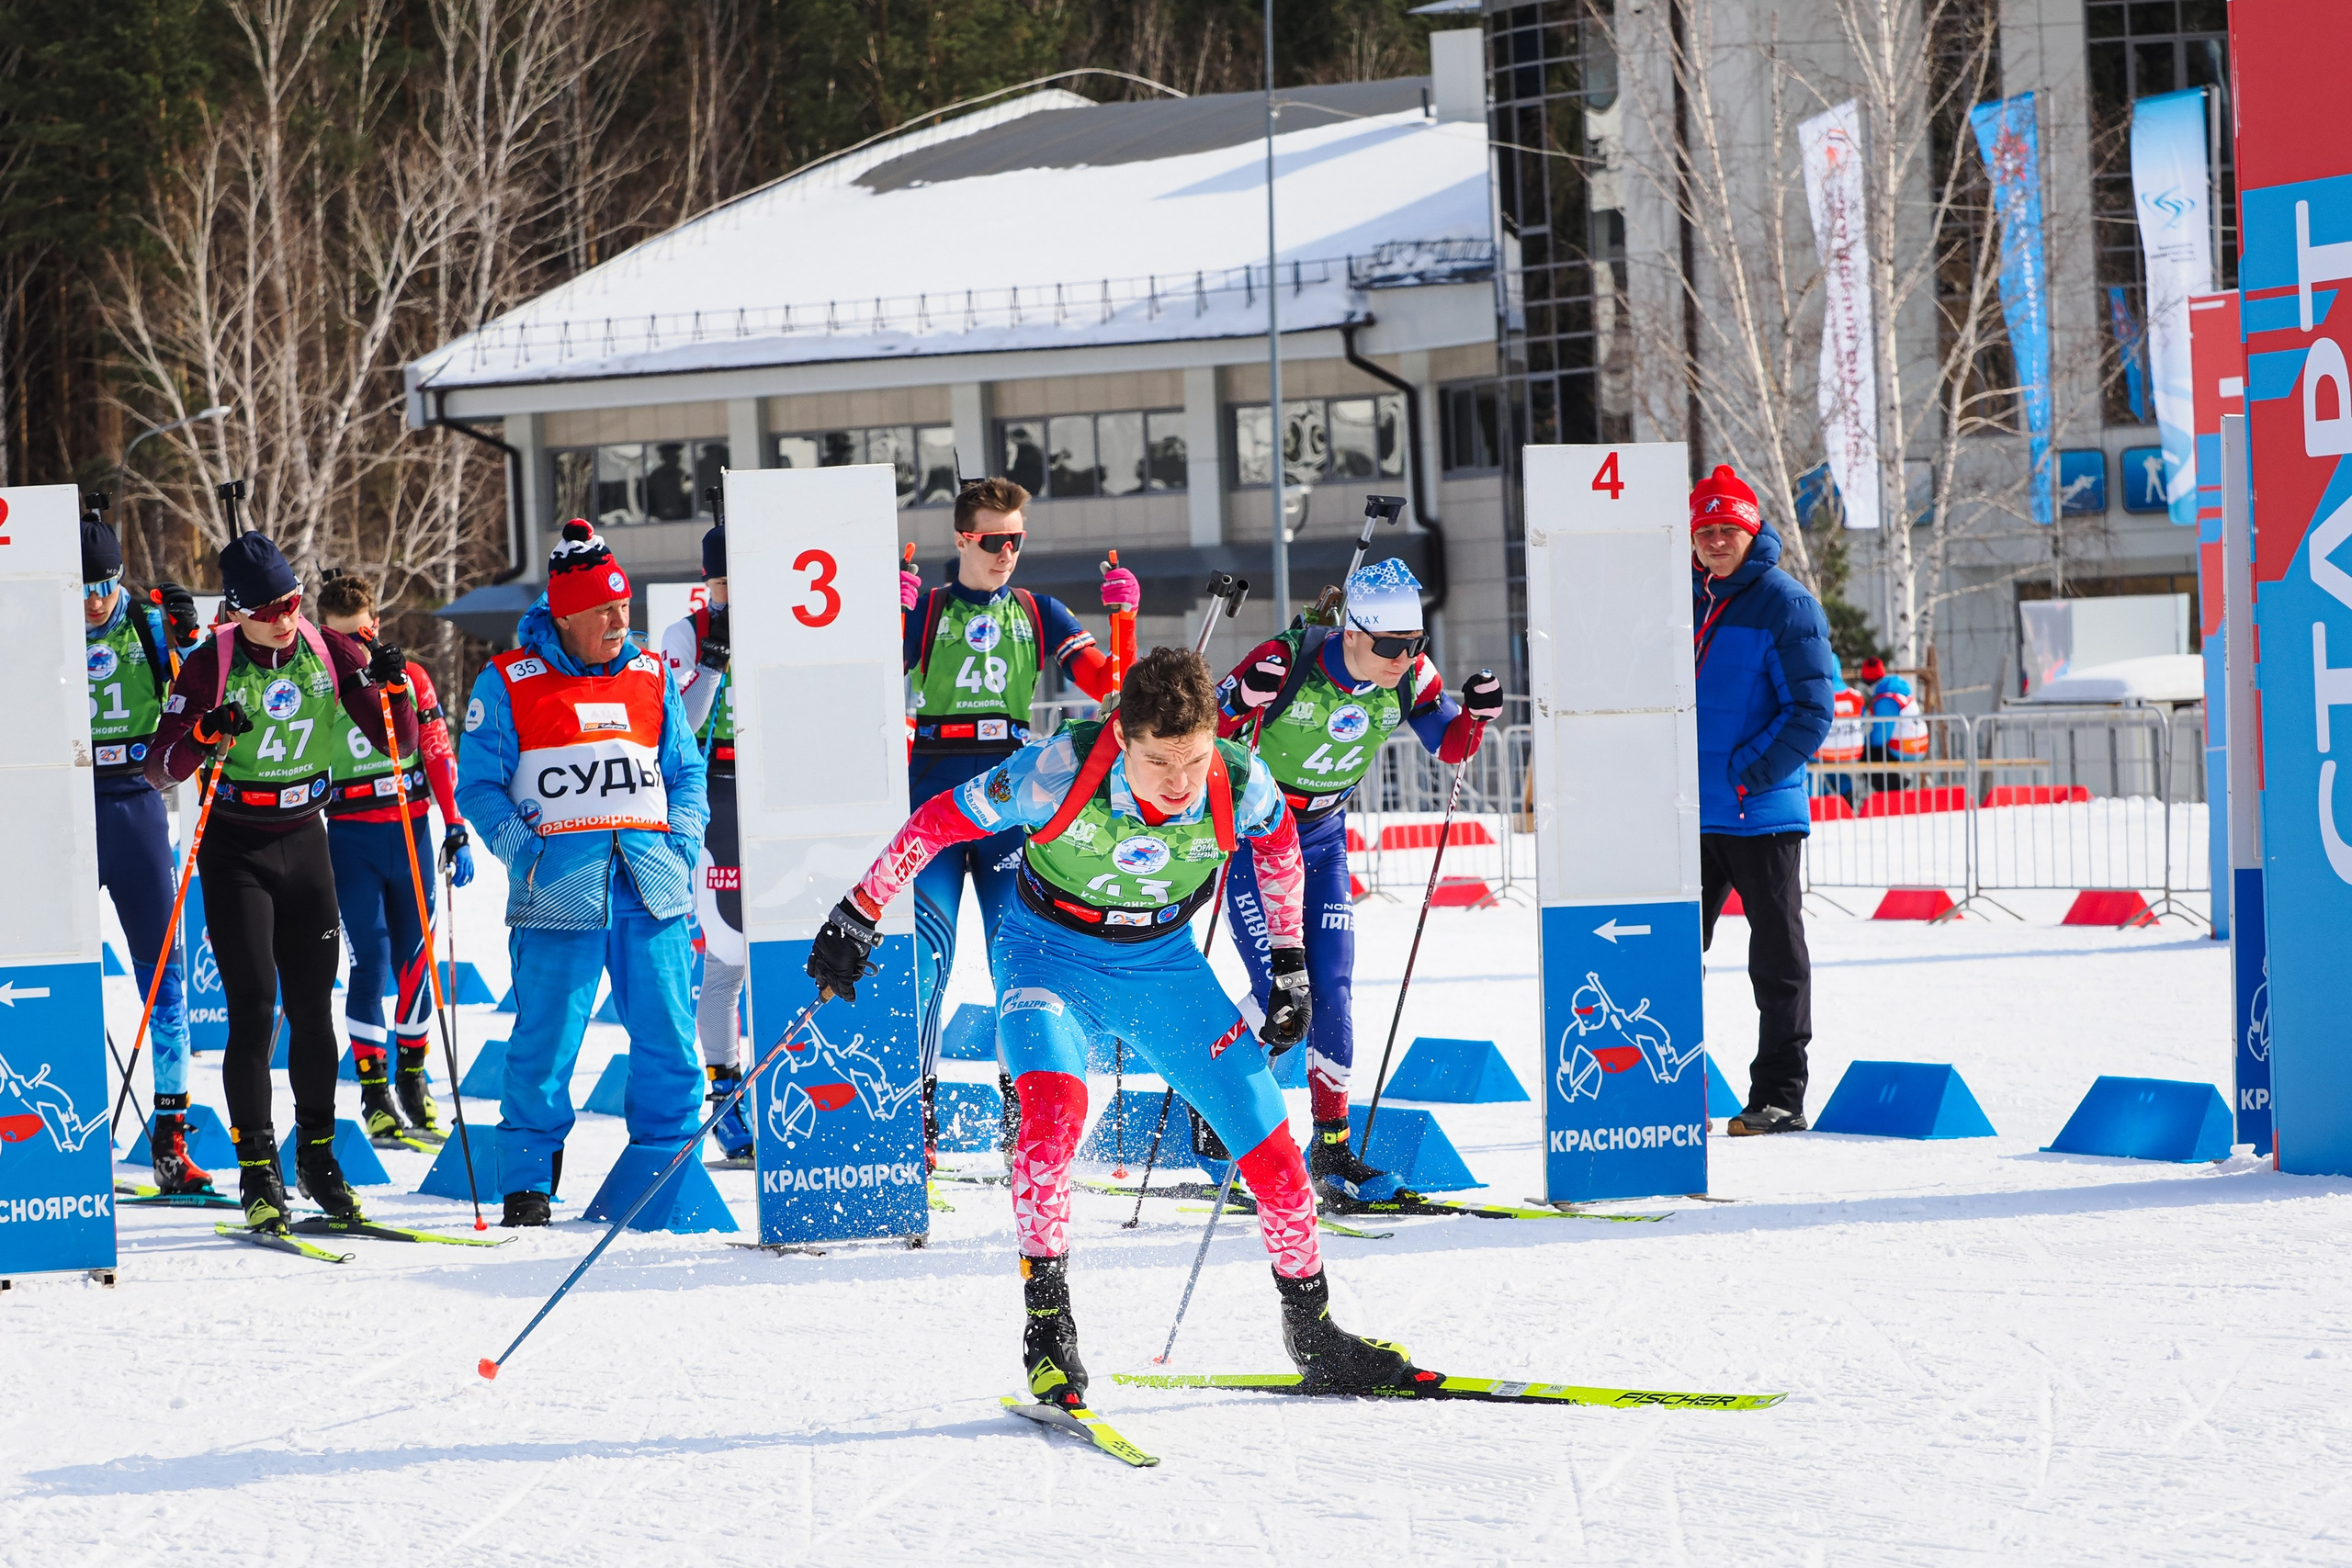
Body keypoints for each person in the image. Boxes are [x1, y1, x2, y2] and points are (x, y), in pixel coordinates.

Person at [807, 648, 1423, 1404]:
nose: (1180, 781)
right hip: (1046, 955)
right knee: (1051, 1117)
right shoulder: (1058, 769)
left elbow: (1281, 848)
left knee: (1272, 1147)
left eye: (1192, 758)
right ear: (1120, 736)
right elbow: (938, 821)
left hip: (1162, 967)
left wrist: (1290, 956)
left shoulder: (1238, 775)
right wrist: (861, 910)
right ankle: (1048, 1328)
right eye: (1159, 760)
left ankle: (1314, 1329)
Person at [146, 531, 418, 1235]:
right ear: (236, 610)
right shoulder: (213, 662)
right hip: (238, 848)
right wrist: (205, 733)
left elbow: (401, 743)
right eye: (268, 607)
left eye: (294, 601)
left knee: (312, 1010)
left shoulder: (330, 650)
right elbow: (159, 767)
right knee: (253, 1008)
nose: (286, 616)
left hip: (306, 839)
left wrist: (392, 684)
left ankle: (319, 1158)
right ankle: (259, 1171)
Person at [1215, 558, 1501, 1208]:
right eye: (1392, 644)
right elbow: (1200, 731)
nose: (1405, 657)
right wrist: (1239, 703)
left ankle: (1332, 1145)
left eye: (1416, 642)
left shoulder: (1410, 676)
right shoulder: (1289, 660)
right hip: (1256, 841)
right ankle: (1217, 1109)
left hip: (1321, 839)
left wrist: (1477, 718)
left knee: (1334, 990)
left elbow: (1450, 745)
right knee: (1284, 997)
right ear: (1352, 633)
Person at [456, 521, 709, 1227]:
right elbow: (477, 784)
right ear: (563, 614)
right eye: (602, 609)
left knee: (668, 1036)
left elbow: (686, 775)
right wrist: (522, 848)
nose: (618, 620)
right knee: (544, 1043)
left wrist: (684, 843)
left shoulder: (652, 674)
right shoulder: (508, 680)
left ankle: (665, 1160)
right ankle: (528, 1182)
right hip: (558, 892)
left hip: (650, 885)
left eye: (624, 606)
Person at [898, 476, 1129, 1152]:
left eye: (1018, 540)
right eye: (996, 540)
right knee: (927, 962)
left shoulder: (1038, 609)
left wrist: (1122, 618)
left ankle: (1019, 1118)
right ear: (964, 538)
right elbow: (875, 682)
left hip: (1008, 792)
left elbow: (1113, 692)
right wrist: (895, 617)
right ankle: (919, 1118)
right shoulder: (933, 606)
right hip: (937, 791)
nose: (1007, 553)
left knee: (1016, 966)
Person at [1690, 465, 1836, 1136]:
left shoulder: (1786, 603)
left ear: (1753, 530)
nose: (1717, 541)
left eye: (1729, 529)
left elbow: (1811, 711)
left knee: (1776, 959)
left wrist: (1746, 773)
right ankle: (1656, 1083)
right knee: (1665, 952)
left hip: (1759, 812)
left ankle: (1779, 1094)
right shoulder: (1686, 598)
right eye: (1706, 530)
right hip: (1690, 813)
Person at [314, 572, 473, 1146]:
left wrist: (454, 822)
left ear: (374, 625)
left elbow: (435, 749)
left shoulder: (409, 677)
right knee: (372, 961)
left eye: (359, 635)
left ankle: (413, 1080)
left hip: (408, 828)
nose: (352, 647)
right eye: (338, 640)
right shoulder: (321, 682)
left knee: (416, 958)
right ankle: (374, 1094)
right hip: (350, 834)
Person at [81, 507, 208, 1192]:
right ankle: (54, 1130)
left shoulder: (145, 622)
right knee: (53, 974)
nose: (93, 602)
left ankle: (169, 1138)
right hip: (67, 811)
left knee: (164, 975)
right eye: (80, 590)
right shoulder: (45, 622)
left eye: (102, 586)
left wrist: (189, 635)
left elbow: (203, 685)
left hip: (133, 804)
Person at [657, 523, 751, 1161]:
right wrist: (713, 665)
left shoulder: (782, 622)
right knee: (727, 952)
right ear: (706, 581)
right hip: (715, 792)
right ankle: (725, 1096)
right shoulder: (683, 634)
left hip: (773, 796)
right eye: (722, 581)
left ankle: (780, 1086)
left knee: (780, 952)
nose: (733, 593)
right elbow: (679, 728)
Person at [1859, 656, 1927, 793]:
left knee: (1868, 756)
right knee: (1876, 753)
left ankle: (1891, 790)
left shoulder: (1886, 699)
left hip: (1904, 747)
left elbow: (1881, 735)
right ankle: (1896, 785)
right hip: (1918, 745)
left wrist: (1863, 743)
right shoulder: (1900, 691)